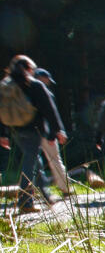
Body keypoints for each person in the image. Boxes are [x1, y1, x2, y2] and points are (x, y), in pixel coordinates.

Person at [0, 55, 68, 213]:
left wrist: (2, 134)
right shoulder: (34, 85)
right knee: (30, 163)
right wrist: (56, 131)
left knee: (34, 159)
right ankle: (25, 202)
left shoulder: (5, 86)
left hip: (15, 130)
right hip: (34, 129)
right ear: (29, 69)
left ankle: (45, 194)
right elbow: (50, 109)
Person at [30, 68, 71, 202]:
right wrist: (54, 133)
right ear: (41, 78)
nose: (48, 82)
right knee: (55, 160)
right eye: (47, 79)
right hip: (46, 133)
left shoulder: (26, 92)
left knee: (32, 161)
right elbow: (51, 115)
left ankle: (33, 190)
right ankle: (65, 189)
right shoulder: (45, 93)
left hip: (29, 132)